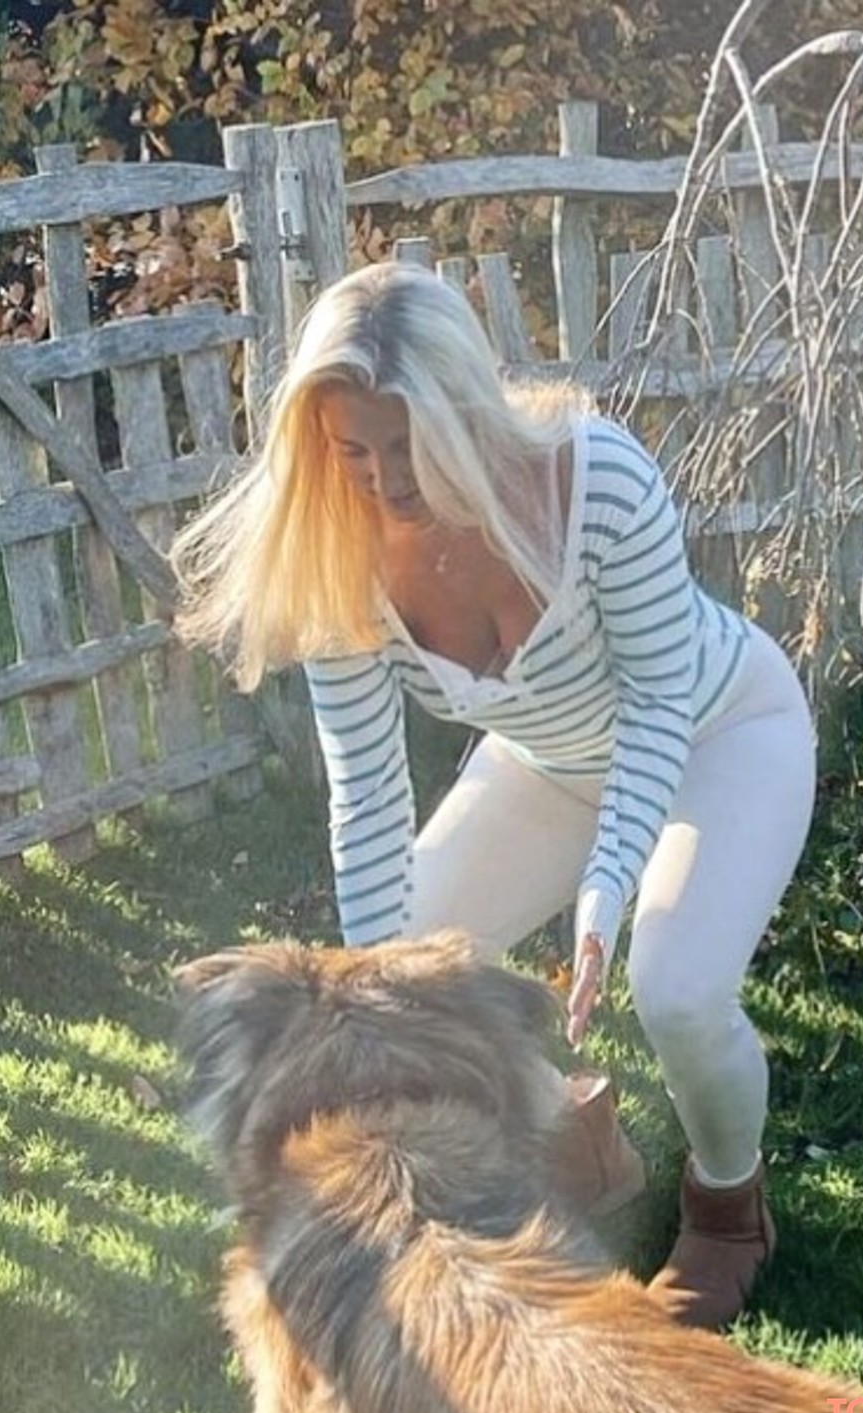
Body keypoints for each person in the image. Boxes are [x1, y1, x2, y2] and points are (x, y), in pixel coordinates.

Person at [171, 260, 817, 1331]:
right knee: (410, 968)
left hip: (718, 732)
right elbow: (367, 791)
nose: (384, 480)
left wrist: (607, 887)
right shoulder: (340, 552)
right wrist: (378, 997)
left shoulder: (594, 480)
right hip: (545, 763)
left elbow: (658, 699)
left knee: (675, 986)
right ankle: (576, 1137)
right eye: (353, 451)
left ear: (466, 410)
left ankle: (727, 1207)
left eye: (407, 444)